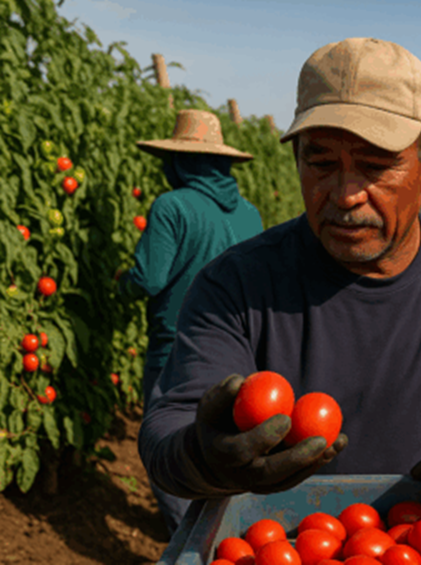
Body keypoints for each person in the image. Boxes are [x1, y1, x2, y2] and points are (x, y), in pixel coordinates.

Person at [137, 38, 421, 519]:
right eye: (321, 163)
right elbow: (168, 427)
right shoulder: (236, 286)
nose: (346, 195)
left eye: (374, 166)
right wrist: (204, 457)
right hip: (294, 546)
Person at [117, 109, 264, 537]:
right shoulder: (249, 215)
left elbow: (149, 277)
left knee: (171, 447)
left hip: (174, 344)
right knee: (227, 448)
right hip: (240, 346)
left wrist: (119, 284)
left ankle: (192, 542)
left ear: (180, 162)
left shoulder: (172, 205)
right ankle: (230, 537)